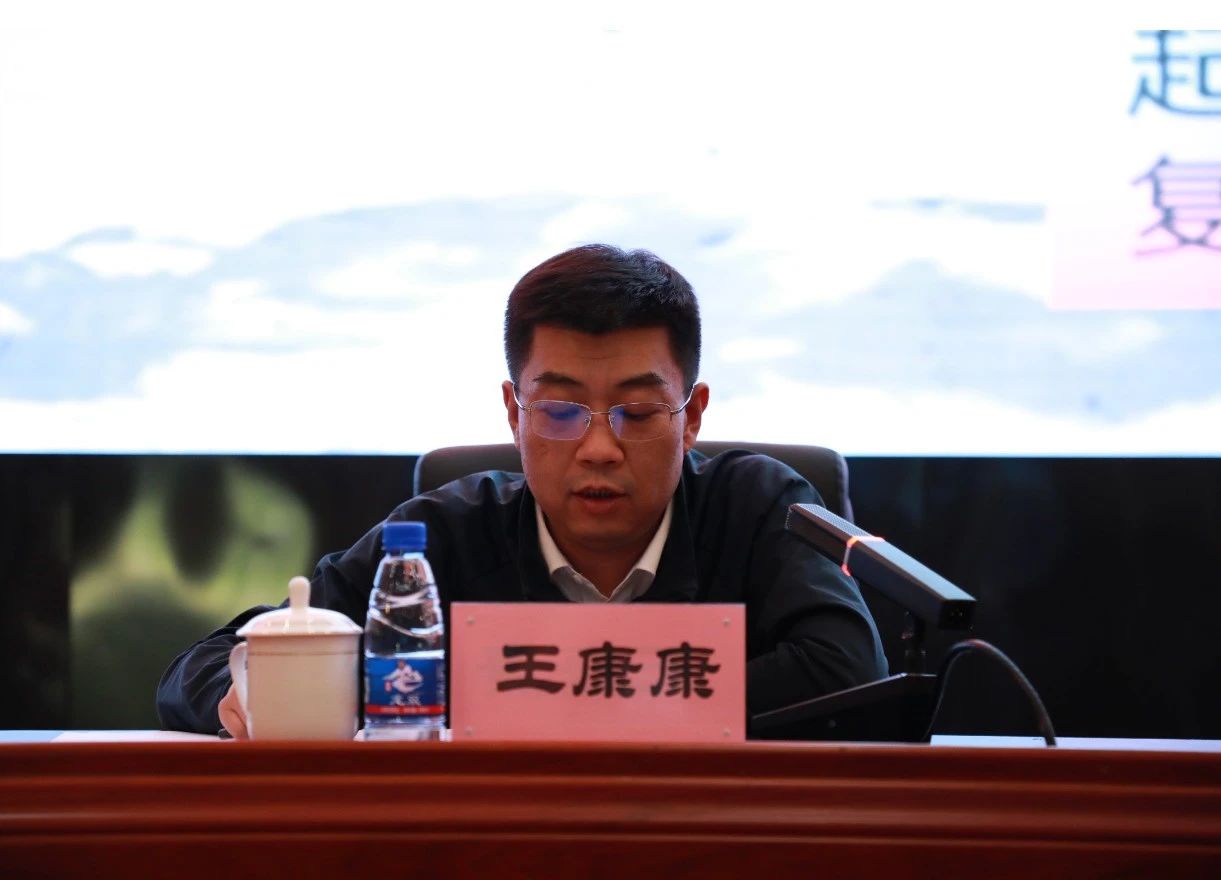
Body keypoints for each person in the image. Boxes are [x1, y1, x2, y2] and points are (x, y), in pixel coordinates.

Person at [156, 244, 888, 737]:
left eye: (636, 413)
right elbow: (206, 665)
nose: (598, 448)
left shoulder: (757, 506)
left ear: (691, 416)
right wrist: (249, 694)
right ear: (514, 412)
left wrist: (545, 701)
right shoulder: (444, 533)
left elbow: (848, 671)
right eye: (561, 411)